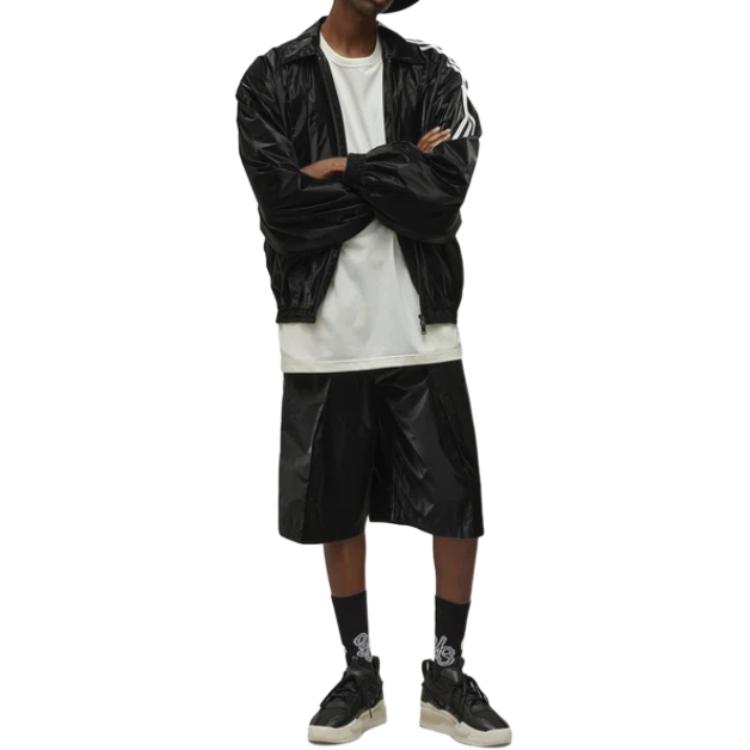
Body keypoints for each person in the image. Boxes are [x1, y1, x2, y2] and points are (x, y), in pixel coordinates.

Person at [235, 0, 511, 744]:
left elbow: (439, 201)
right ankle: (360, 677)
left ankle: (446, 677)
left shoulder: (433, 74)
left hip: (421, 326)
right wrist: (398, 171)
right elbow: (285, 210)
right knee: (336, 504)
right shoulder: (270, 80)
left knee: (455, 502)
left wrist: (348, 167)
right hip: (324, 331)